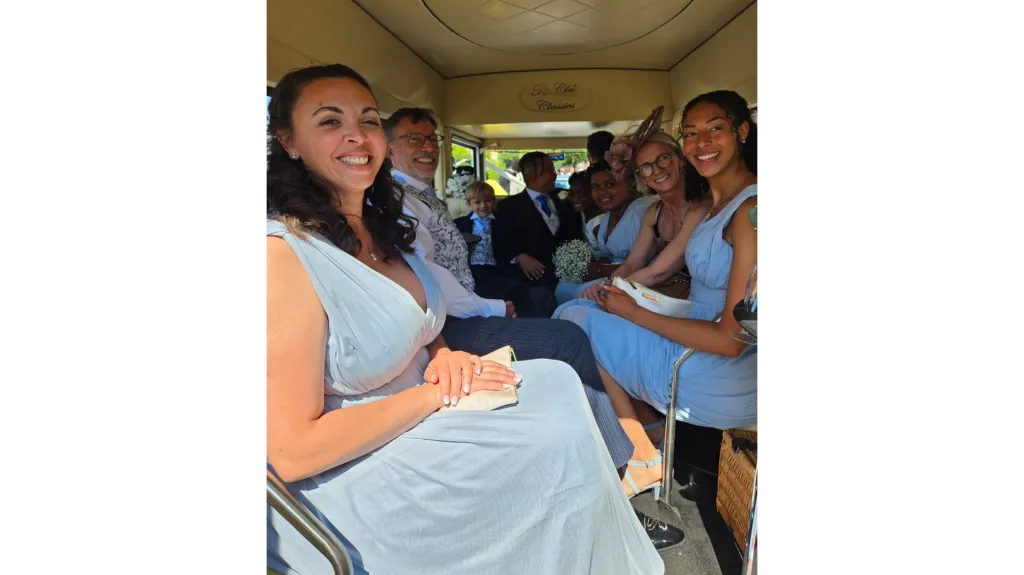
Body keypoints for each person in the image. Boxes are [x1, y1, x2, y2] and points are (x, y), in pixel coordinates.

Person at [265, 64, 666, 575]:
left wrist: (444, 354)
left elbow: (417, 326)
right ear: (289, 141)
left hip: (420, 410)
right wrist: (434, 394)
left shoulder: (382, 229)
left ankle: (597, 513)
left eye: (368, 120)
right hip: (365, 471)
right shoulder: (284, 256)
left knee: (559, 383)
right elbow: (291, 452)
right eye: (329, 121)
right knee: (555, 424)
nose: (356, 135)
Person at [384, 106, 681, 549]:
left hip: (458, 314)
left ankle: (620, 455)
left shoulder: (422, 196)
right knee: (566, 336)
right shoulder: (397, 201)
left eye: (433, 140)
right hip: (448, 325)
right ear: (388, 147)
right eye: (414, 139)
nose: (428, 147)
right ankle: (620, 477)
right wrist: (492, 307)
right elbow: (428, 276)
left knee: (561, 319)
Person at [552, 90, 758, 499]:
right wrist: (621, 294)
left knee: (571, 323)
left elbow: (732, 342)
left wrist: (633, 311)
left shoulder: (750, 214)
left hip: (716, 373)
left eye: (715, 129)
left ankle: (644, 450)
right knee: (578, 309)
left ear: (742, 132)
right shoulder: (719, 206)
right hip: (693, 335)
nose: (702, 142)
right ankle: (648, 431)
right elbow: (656, 271)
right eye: (692, 133)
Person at [579, 131, 710, 302]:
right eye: (646, 167)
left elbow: (659, 272)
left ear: (680, 159)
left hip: (692, 300)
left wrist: (606, 289)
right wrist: (605, 285)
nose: (656, 170)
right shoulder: (653, 213)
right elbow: (632, 264)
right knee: (579, 306)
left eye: (663, 158)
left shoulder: (701, 206)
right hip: (664, 293)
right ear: (641, 178)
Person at [554, 161, 658, 305]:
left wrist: (600, 270)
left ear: (629, 183)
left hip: (638, 282)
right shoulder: (607, 217)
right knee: (564, 287)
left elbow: (644, 263)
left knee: (578, 299)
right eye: (595, 187)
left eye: (610, 184)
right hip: (616, 275)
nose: (602, 192)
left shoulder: (642, 210)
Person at [453, 181, 556, 317]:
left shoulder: (503, 222)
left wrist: (517, 256)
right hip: (470, 270)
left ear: (493, 201)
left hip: (495, 269)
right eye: (477, 202)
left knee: (517, 289)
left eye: (487, 201)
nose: (483, 206)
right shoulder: (460, 224)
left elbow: (512, 244)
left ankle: (527, 322)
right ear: (468, 204)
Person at [492, 151, 584, 290]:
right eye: (548, 171)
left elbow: (576, 232)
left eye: (553, 170)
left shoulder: (566, 197)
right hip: (532, 281)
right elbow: (501, 241)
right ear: (530, 176)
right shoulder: (509, 206)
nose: (555, 174)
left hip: (568, 277)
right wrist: (519, 257)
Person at [568, 171, 602, 251]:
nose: (575, 199)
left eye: (581, 194)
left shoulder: (599, 224)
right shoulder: (583, 213)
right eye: (571, 194)